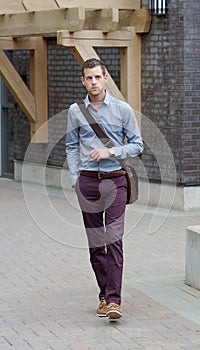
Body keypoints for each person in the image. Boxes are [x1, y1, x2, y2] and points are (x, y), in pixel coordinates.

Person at [66, 58, 143, 320]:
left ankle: (114, 301)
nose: (94, 82)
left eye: (98, 77)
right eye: (89, 78)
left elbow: (137, 144)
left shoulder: (122, 110)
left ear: (106, 78)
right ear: (83, 81)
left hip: (115, 181)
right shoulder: (76, 111)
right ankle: (103, 294)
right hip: (87, 182)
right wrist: (75, 178)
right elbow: (71, 146)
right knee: (96, 244)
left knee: (114, 240)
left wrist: (111, 150)